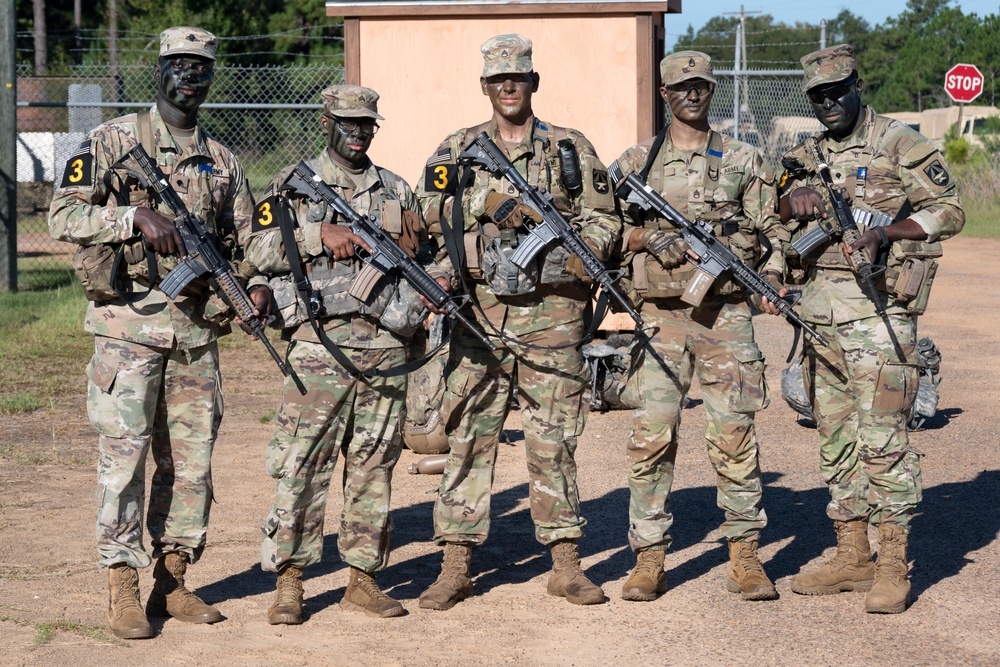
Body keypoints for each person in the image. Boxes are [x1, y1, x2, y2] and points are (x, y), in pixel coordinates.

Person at [48, 27, 269, 639]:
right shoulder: (110, 140)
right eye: (178, 65)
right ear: (161, 71)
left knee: (191, 464)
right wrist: (131, 216)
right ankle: (121, 584)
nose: (189, 77)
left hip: (196, 334)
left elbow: (246, 245)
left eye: (200, 68)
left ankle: (172, 581)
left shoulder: (222, 161)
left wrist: (255, 286)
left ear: (210, 77)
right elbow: (62, 214)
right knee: (124, 459)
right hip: (129, 328)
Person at [414, 34, 621, 609]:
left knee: (553, 438)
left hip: (553, 316)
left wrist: (575, 252)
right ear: (485, 86)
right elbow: (422, 209)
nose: (510, 87)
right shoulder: (459, 148)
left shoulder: (569, 148)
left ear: (534, 83)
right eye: (499, 79)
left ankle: (564, 564)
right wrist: (483, 205)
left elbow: (606, 221)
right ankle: (455, 565)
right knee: (468, 436)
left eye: (520, 77)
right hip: (480, 315)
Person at [247, 85, 447, 624]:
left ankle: (363, 578)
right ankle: (290, 582)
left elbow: (426, 254)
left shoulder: (397, 189)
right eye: (348, 122)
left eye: (367, 124)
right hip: (320, 346)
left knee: (374, 465)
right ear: (326, 121)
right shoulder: (293, 185)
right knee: (302, 464)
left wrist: (431, 289)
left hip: (384, 347)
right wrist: (316, 232)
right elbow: (255, 249)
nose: (359, 131)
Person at [777, 44, 964, 613]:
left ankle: (891, 565)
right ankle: (852, 555)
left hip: (878, 318)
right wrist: (790, 201)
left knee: (883, 442)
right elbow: (768, 210)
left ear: (857, 85)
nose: (829, 103)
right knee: (834, 440)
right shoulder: (802, 151)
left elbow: (950, 209)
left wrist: (891, 233)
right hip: (818, 318)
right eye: (818, 96)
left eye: (837, 91)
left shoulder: (899, 142)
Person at [608, 50, 785, 603]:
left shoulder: (744, 158)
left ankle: (746, 557)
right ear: (664, 94)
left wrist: (773, 276)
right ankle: (649, 559)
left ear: (712, 91)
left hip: (727, 318)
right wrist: (643, 239)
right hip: (659, 320)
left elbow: (771, 231)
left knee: (734, 435)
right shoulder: (635, 163)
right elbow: (601, 230)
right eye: (681, 87)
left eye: (702, 86)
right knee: (652, 437)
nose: (692, 94)